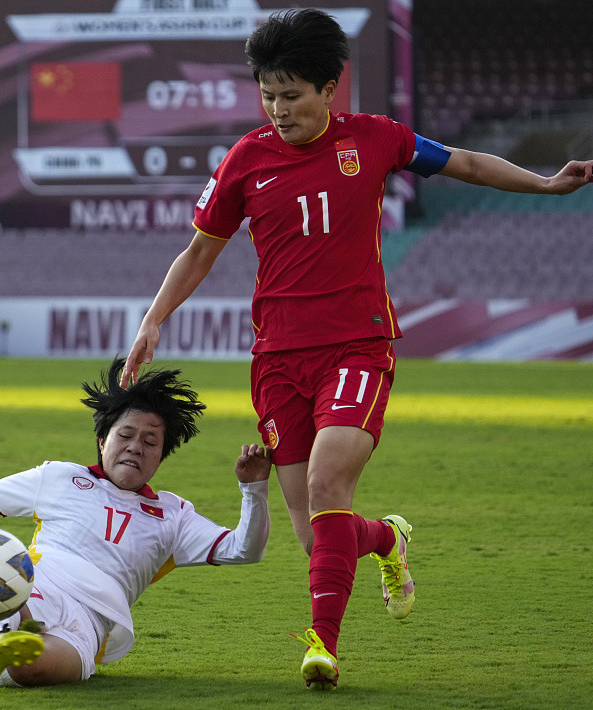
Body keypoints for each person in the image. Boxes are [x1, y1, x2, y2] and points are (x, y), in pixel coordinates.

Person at [119, 8, 593, 691]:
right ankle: (385, 539)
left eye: (291, 94)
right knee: (319, 540)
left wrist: (546, 183)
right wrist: (153, 320)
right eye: (268, 95)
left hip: (357, 344)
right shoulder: (246, 160)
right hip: (277, 357)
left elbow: (462, 162)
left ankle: (322, 648)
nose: (278, 109)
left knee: (326, 483)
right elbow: (199, 251)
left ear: (328, 88)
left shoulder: (375, 140)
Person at [0, 357, 271, 688]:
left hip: (92, 621)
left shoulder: (174, 515)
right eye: (126, 435)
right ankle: (6, 628)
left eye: (150, 441)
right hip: (28, 586)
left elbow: (243, 550)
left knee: (29, 669)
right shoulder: (60, 478)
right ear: (103, 440)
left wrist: (253, 491)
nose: (136, 447)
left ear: (161, 454)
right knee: (6, 623)